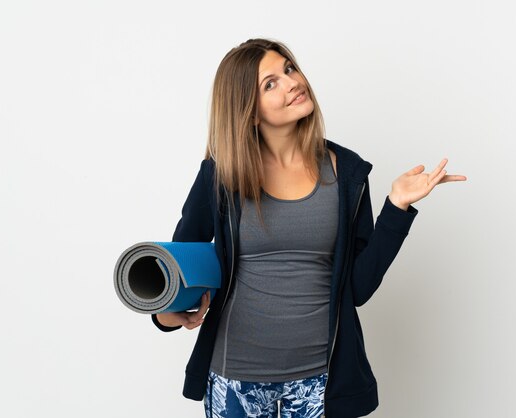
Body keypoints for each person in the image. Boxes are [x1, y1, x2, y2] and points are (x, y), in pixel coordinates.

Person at [151, 38, 466, 418]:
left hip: (323, 382)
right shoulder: (222, 175)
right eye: (270, 83)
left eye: (289, 69)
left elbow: (358, 289)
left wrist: (397, 207)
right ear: (248, 111)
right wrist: (168, 314)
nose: (291, 82)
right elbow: (179, 264)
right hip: (235, 380)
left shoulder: (348, 173)